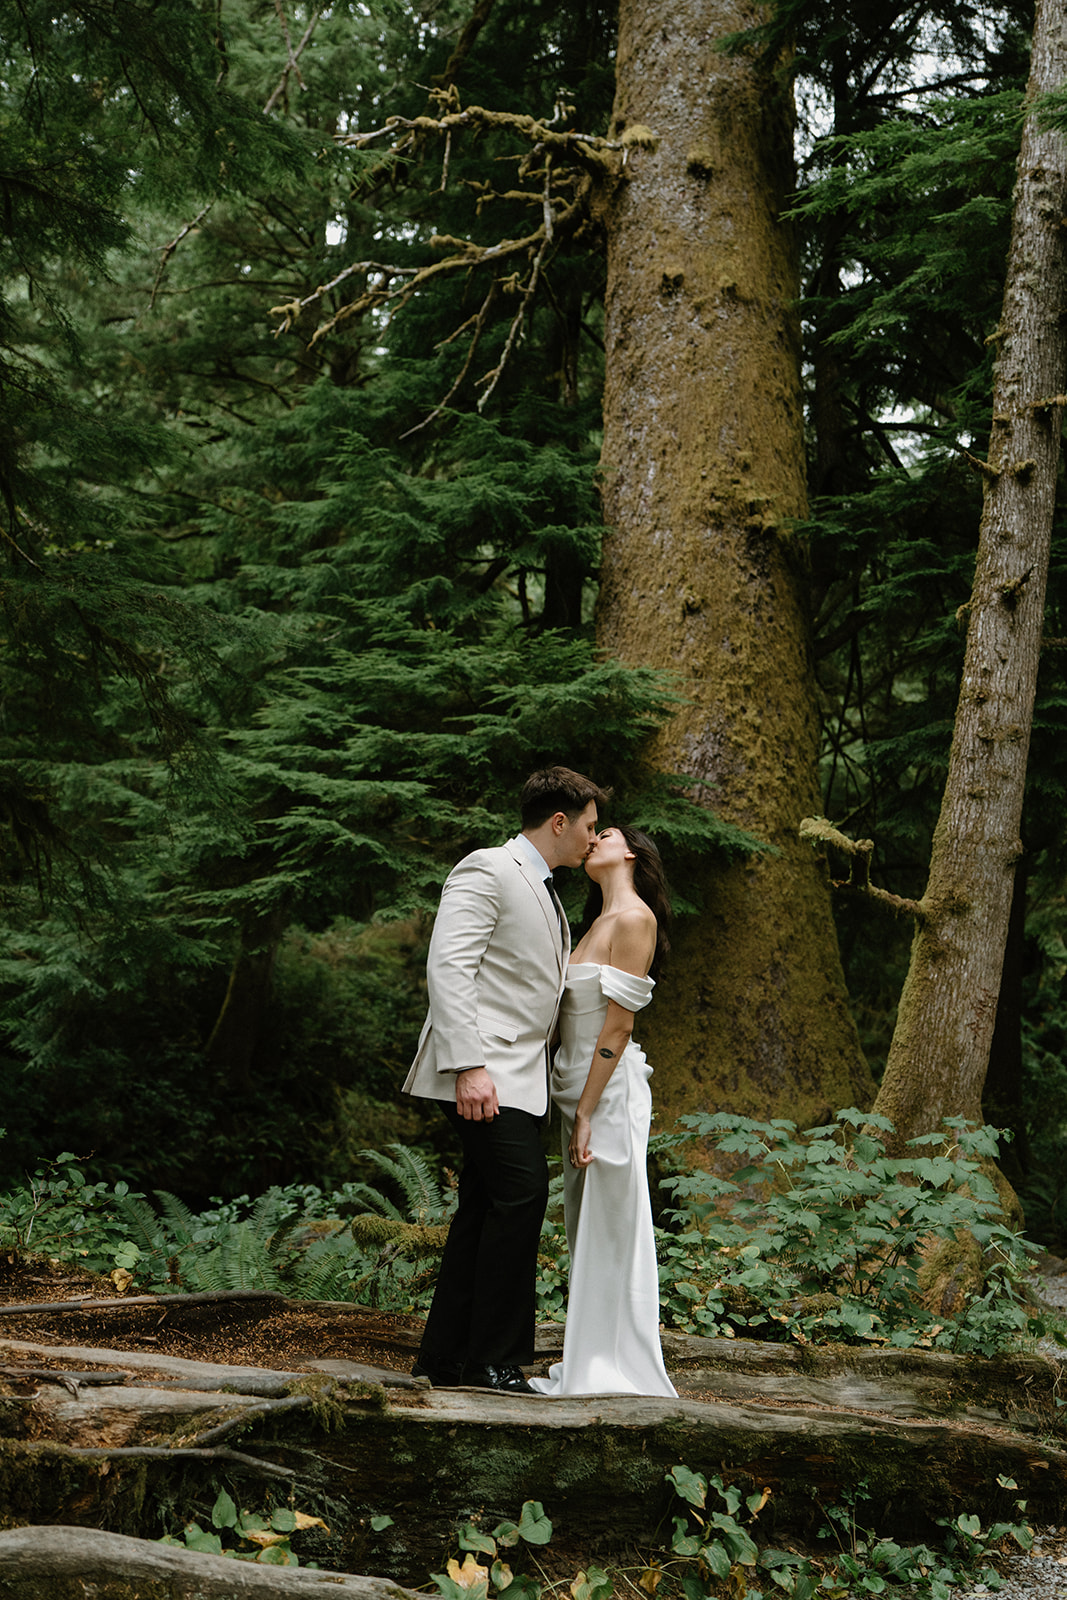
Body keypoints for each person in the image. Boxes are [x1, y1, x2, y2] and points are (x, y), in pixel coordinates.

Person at [402, 766, 609, 1394]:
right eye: (589, 826)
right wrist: (469, 1067)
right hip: (485, 1073)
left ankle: (446, 1359)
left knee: (484, 1209)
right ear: (558, 821)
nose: (594, 839)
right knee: (520, 1201)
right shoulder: (487, 868)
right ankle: (493, 1361)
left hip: (521, 1077)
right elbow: (449, 968)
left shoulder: (543, 886)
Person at [530, 823, 677, 1398]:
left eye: (605, 832)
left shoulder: (636, 919)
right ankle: (590, 1356)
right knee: (583, 1229)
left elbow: (618, 1025)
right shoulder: (594, 922)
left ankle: (612, 1370)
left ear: (632, 853)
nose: (592, 839)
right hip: (575, 1090)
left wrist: (588, 1111)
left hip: (607, 1097)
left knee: (611, 1230)